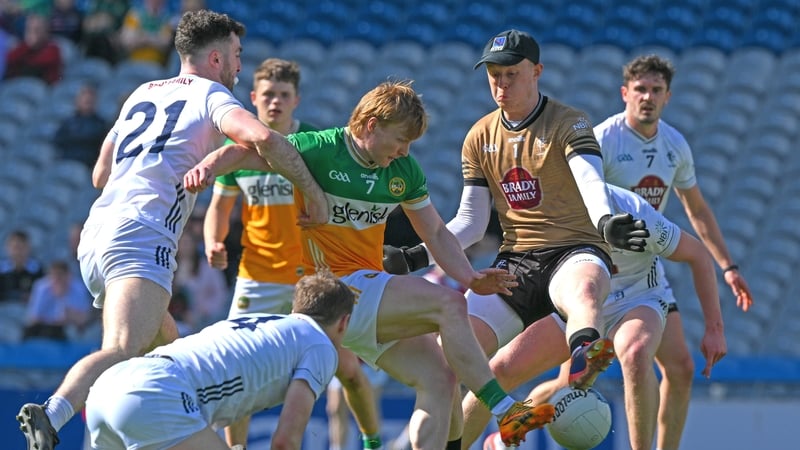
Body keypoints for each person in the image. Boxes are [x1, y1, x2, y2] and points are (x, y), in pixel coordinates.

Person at [16, 9, 328, 450]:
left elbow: (100, 174)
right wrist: (312, 190)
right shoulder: (213, 97)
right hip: (141, 236)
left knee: (167, 350)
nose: (240, 65)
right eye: (237, 55)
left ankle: (182, 431)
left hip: (98, 233)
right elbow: (262, 139)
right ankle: (52, 415)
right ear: (216, 57)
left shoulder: (142, 91)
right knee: (123, 349)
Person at [186, 80, 556, 450]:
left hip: (364, 295)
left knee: (440, 378)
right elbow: (243, 153)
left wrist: (470, 277)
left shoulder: (404, 171)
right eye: (400, 140)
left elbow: (438, 235)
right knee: (449, 304)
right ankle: (505, 409)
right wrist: (207, 165)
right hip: (333, 290)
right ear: (370, 125)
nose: (404, 151)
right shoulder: (319, 149)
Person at [381, 29, 650, 440]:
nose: (501, 83)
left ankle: (584, 352)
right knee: (450, 362)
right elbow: (470, 220)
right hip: (517, 262)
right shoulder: (479, 136)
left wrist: (605, 223)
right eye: (494, 74)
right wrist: (419, 256)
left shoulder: (569, 121)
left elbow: (588, 179)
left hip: (574, 250)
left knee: (585, 288)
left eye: (511, 74)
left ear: (537, 71)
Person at [204, 57, 385, 450]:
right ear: (253, 98)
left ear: (296, 100)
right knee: (239, 366)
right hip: (257, 275)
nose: (275, 103)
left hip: (313, 277)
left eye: (283, 95)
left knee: (348, 369)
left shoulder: (315, 146)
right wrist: (213, 241)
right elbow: (219, 207)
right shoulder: (238, 152)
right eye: (267, 95)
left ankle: (373, 442)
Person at [467, 184, 727, 450]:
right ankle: (481, 443)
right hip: (574, 302)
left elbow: (697, 254)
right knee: (504, 371)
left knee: (635, 351)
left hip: (635, 299)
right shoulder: (541, 209)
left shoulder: (631, 210)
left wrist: (715, 328)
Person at [595, 54, 753, 450]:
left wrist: (728, 267)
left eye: (656, 90)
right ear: (624, 94)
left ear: (668, 97)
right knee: (570, 380)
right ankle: (511, 423)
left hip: (647, 276)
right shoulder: (603, 141)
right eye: (640, 89)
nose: (647, 97)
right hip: (598, 276)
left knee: (680, 369)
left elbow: (696, 210)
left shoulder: (674, 145)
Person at [84, 270, 355, 450]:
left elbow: (243, 382)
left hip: (109, 387)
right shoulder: (321, 345)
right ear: (343, 322)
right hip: (157, 395)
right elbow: (285, 441)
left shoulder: (262, 323)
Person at [22, 260, 93, 341]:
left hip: (69, 327)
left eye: (60, 275)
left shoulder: (79, 288)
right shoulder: (41, 288)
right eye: (54, 276)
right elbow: (33, 318)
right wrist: (52, 298)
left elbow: (84, 319)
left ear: (68, 276)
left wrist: (69, 313)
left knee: (72, 332)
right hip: (45, 326)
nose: (57, 279)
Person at [53, 83, 110, 169]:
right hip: (67, 162)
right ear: (77, 101)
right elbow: (58, 140)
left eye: (90, 101)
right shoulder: (68, 122)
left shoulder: (101, 124)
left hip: (89, 166)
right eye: (84, 100)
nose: (87, 102)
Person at [3, 13, 62, 84]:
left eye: (37, 30)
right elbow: (10, 59)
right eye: (29, 30)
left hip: (45, 91)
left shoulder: (53, 49)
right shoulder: (22, 47)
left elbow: (37, 65)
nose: (32, 34)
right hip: (19, 90)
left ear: (45, 32)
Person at [118, 0, 173, 66]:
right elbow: (126, 42)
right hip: (133, 63)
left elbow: (165, 43)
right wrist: (154, 39)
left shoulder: (167, 18)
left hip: (157, 65)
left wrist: (144, 37)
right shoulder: (135, 15)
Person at [0, 229, 45, 303]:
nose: (18, 252)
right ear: (7, 248)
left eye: (21, 248)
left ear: (28, 248)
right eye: (15, 247)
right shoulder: (1, 269)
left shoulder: (38, 270)